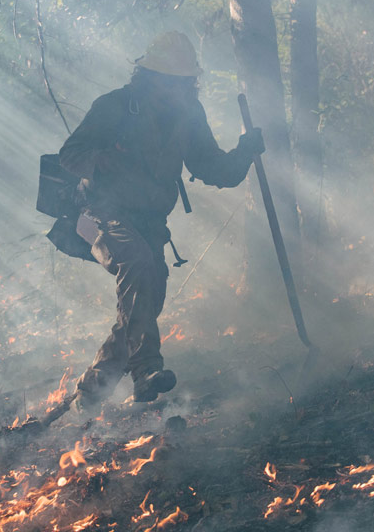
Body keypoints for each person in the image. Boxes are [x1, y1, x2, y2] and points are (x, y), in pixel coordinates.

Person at [58, 31, 265, 409]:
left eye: (184, 82)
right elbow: (69, 155)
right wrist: (102, 159)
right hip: (99, 213)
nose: (177, 90)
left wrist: (245, 152)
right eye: (170, 81)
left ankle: (90, 394)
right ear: (149, 77)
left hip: (149, 223)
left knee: (144, 303)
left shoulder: (188, 115)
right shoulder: (115, 107)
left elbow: (213, 168)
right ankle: (146, 371)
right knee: (136, 264)